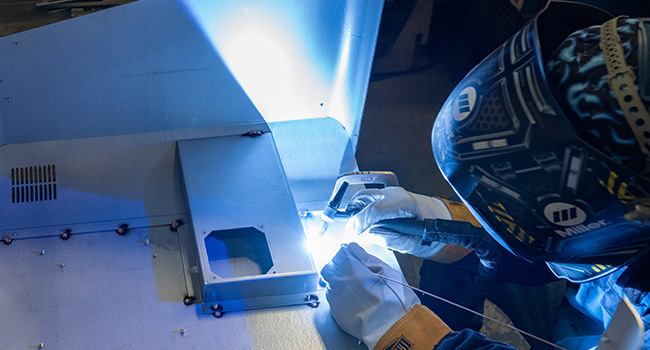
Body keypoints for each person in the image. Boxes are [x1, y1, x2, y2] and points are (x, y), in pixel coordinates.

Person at [321, 1, 650, 349]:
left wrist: (407, 336)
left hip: (614, 329)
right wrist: (444, 224)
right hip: (594, 295)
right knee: (462, 250)